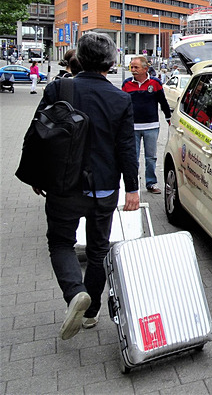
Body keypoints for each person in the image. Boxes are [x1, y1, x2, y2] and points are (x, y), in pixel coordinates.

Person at [31, 32, 139, 339]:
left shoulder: (59, 88)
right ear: (112, 61)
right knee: (97, 250)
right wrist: (132, 189)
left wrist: (37, 176)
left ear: (78, 57)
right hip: (104, 188)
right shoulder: (120, 98)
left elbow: (37, 133)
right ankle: (90, 314)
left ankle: (75, 293)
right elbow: (127, 148)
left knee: (61, 243)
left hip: (63, 184)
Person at [122, 56, 171, 194]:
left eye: (136, 67)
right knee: (133, 157)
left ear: (145, 69)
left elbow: (163, 102)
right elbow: (122, 104)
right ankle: (133, 185)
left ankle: (151, 183)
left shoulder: (155, 83)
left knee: (151, 158)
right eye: (131, 67)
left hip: (151, 126)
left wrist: (168, 118)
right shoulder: (126, 84)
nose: (133, 70)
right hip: (133, 127)